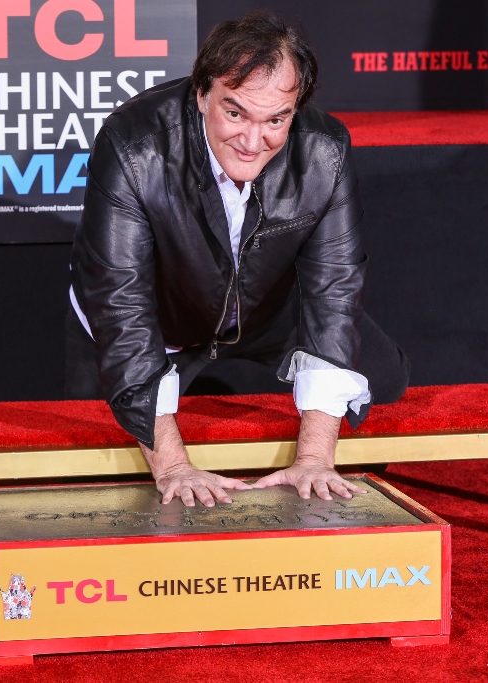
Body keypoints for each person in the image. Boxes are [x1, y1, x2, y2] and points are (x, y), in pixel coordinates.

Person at [69, 10, 410, 508]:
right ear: (202, 94)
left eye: (276, 120)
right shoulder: (133, 145)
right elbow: (122, 304)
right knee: (91, 437)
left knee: (384, 376)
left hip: (262, 309)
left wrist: (315, 458)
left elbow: (334, 290)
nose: (253, 142)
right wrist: (174, 467)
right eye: (235, 114)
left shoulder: (325, 151)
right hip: (162, 316)